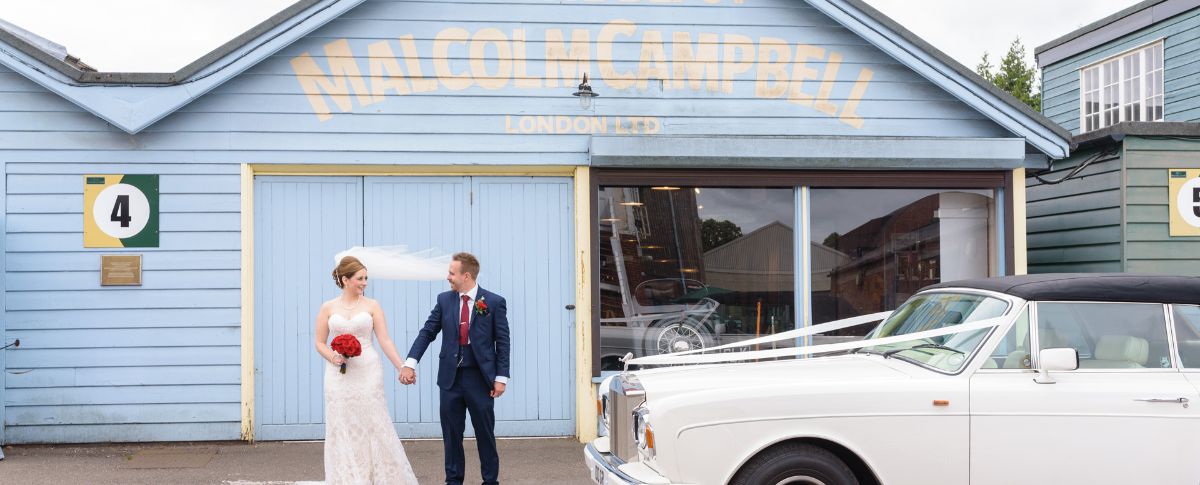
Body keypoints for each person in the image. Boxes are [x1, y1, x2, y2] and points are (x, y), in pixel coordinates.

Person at [400, 252, 511, 485]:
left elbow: (503, 341)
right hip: (450, 379)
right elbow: (427, 332)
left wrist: (501, 377)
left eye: (452, 273)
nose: (448, 277)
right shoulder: (444, 300)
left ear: (466, 275)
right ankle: (453, 481)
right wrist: (410, 363)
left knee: (485, 435)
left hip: (480, 380)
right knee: (451, 436)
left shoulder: (493, 302)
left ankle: (490, 481)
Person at [315, 256, 418, 484]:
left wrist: (402, 366)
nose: (365, 283)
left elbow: (385, 340)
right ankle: (347, 477)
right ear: (345, 280)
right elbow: (319, 342)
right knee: (341, 422)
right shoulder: (328, 307)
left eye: (366, 278)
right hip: (337, 373)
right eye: (360, 278)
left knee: (373, 420)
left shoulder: (372, 306)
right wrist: (333, 356)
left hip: (368, 371)